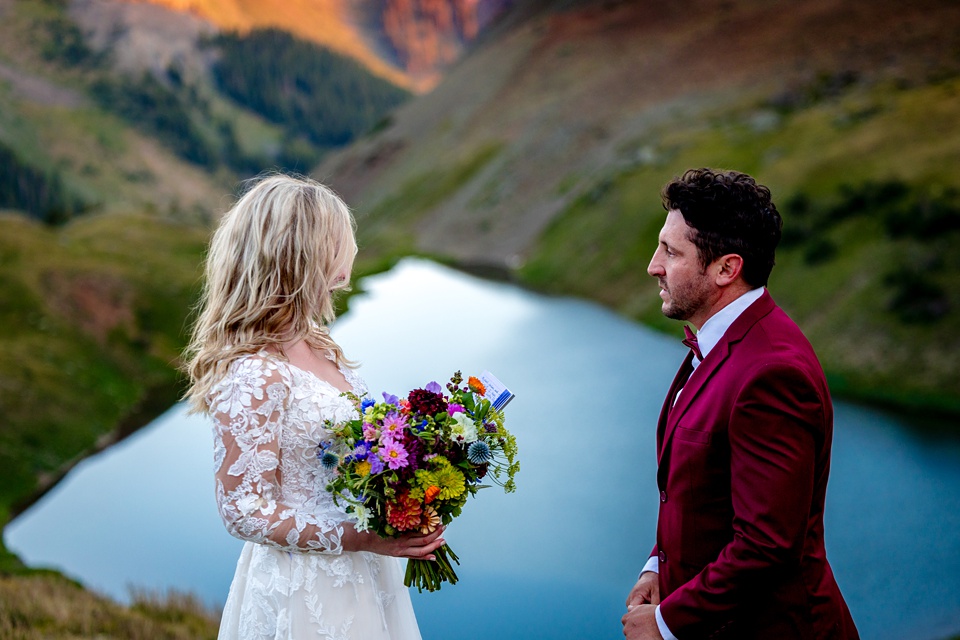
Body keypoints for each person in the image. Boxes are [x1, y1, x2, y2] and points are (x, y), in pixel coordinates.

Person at [183, 174, 444, 639]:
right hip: (302, 589)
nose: (346, 264)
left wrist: (405, 504)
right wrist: (362, 537)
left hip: (363, 575)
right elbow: (242, 508)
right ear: (297, 256)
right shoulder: (257, 370)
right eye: (336, 246)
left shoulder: (317, 345)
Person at [622, 169, 860, 639]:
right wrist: (658, 567)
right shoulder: (726, 341)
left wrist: (667, 624)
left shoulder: (773, 374)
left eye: (671, 252)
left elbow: (768, 546)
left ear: (727, 269)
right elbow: (701, 495)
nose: (653, 265)